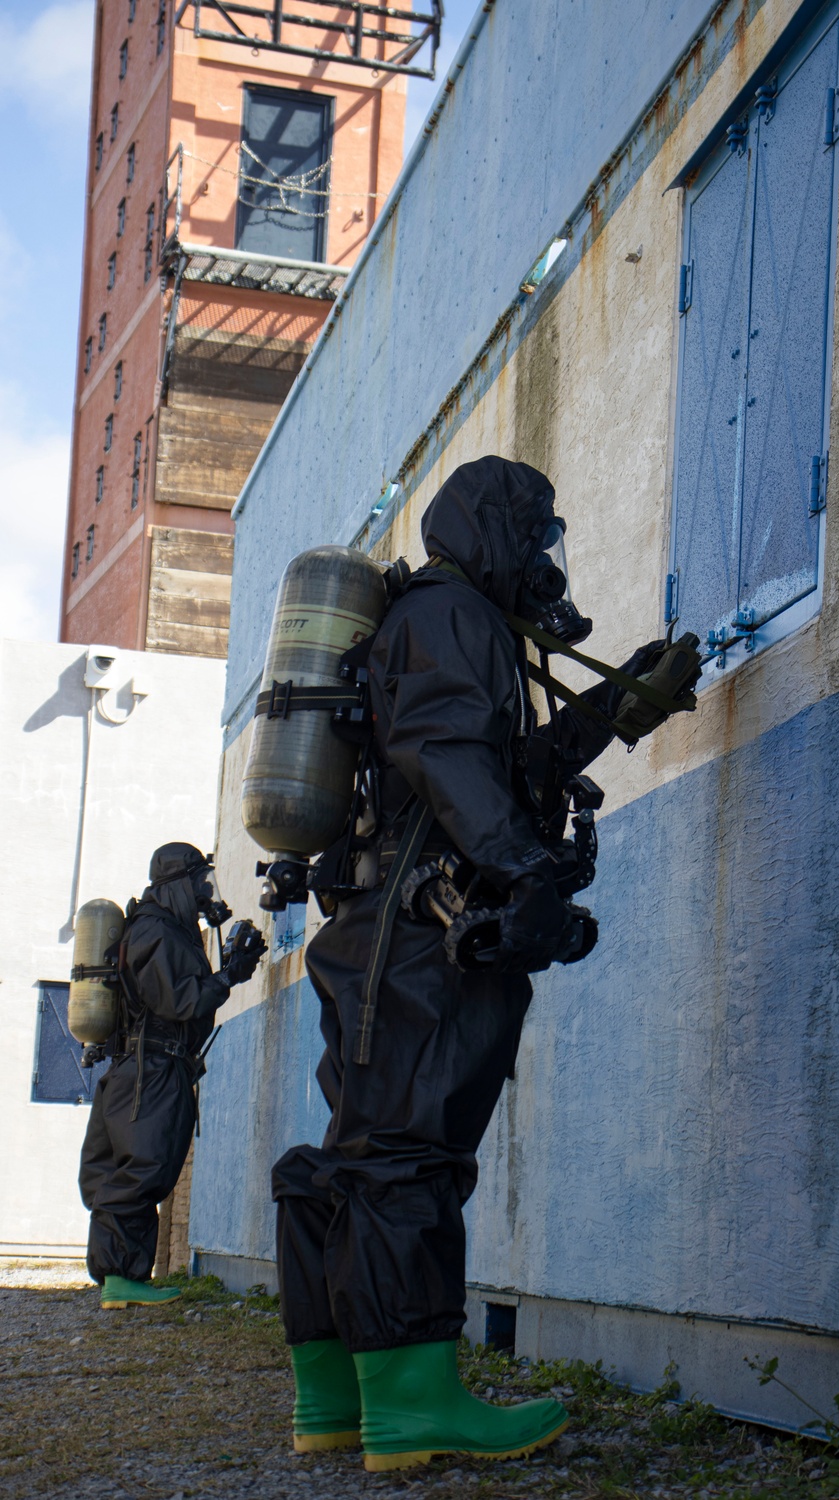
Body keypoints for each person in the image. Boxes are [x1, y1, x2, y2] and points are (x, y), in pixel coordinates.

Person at [271, 457, 699, 1470]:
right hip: (420, 938)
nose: (548, 557)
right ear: (499, 529)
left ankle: (338, 1397)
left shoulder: (457, 624)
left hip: (390, 931)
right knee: (405, 1156)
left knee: (363, 1151)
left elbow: (493, 762)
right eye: (539, 533)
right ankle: (412, 1403)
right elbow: (446, 754)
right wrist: (521, 872)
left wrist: (611, 712)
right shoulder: (451, 613)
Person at [79, 843, 265, 1309]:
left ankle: (120, 1277)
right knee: (144, 1166)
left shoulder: (160, 929)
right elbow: (179, 1002)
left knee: (124, 1169)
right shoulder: (157, 932)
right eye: (201, 881)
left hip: (138, 1067)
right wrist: (231, 976)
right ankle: (120, 1277)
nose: (207, 892)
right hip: (152, 1069)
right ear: (178, 883)